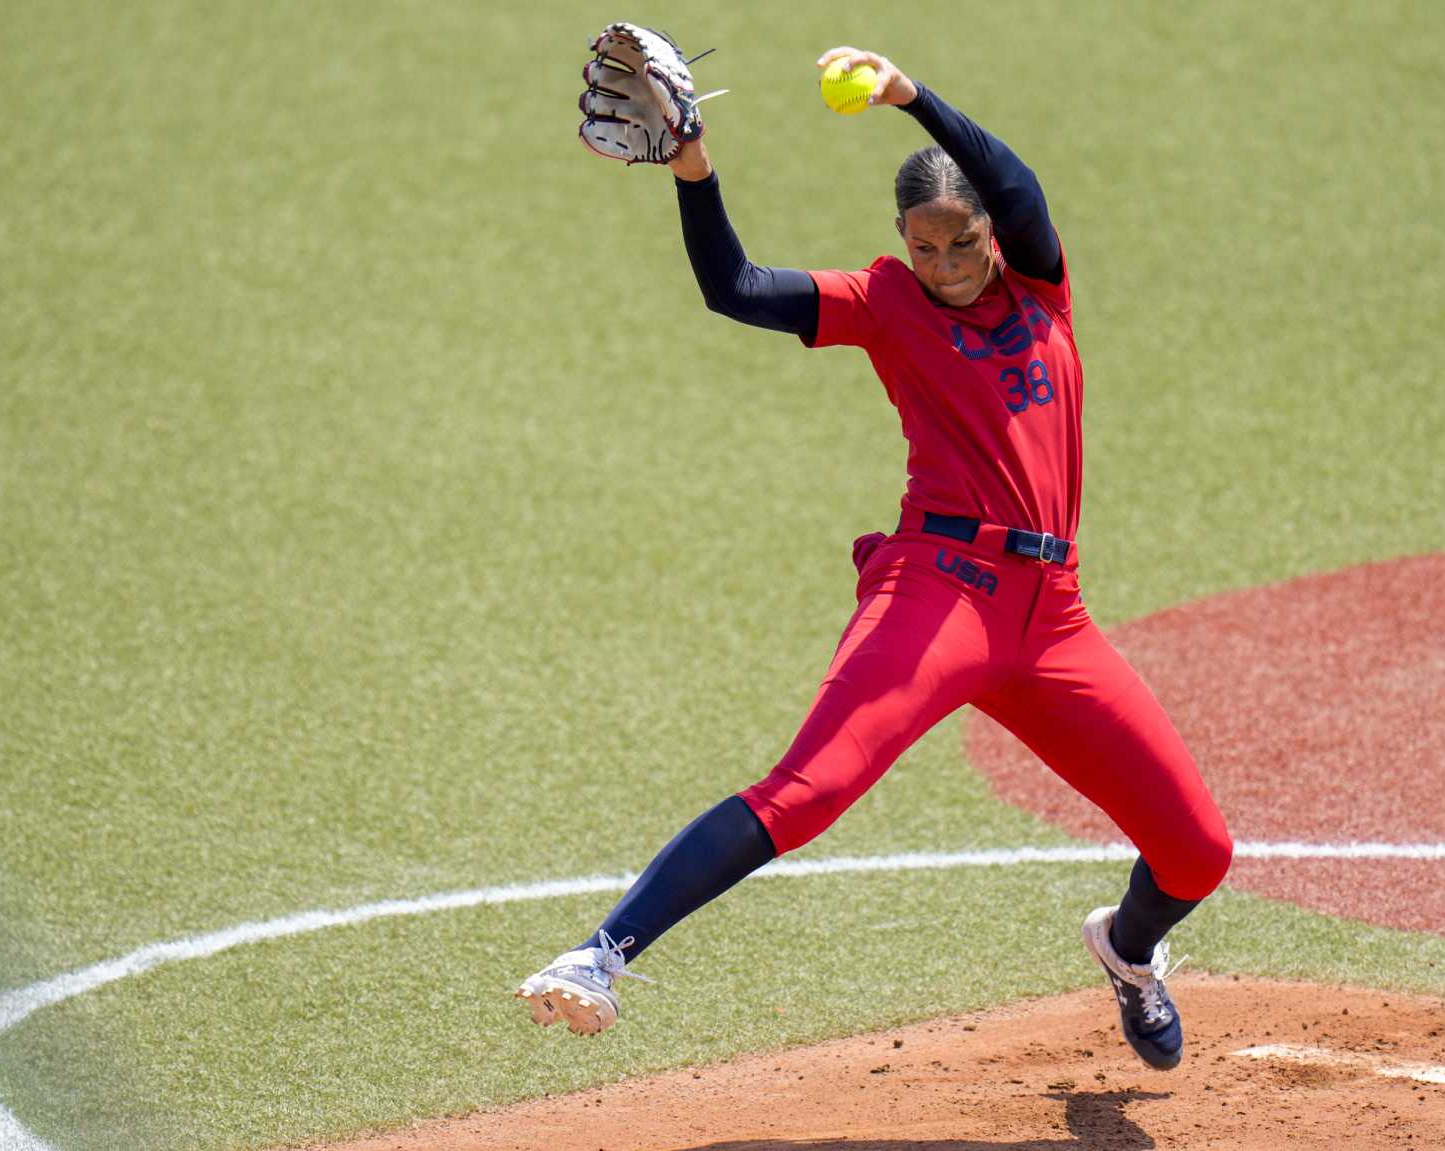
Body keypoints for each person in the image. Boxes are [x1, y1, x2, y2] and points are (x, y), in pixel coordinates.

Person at [524, 45, 1234, 1071]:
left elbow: (1018, 182)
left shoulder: (1040, 287)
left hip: (1053, 618)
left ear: (995, 234)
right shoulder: (881, 301)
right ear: (898, 242)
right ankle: (598, 953)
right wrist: (691, 165)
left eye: (962, 244)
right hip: (937, 592)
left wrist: (909, 96)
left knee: (1197, 850)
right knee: (808, 789)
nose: (945, 266)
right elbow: (733, 286)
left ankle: (1126, 952)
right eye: (924, 246)